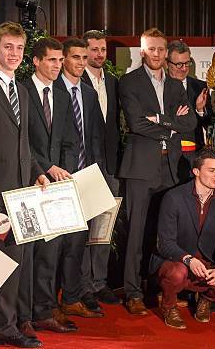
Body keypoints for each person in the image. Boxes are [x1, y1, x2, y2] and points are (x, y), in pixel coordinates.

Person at [0, 21, 48, 348]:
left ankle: (6, 325)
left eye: (19, 48)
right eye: (8, 47)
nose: (14, 53)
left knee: (12, 265)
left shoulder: (23, 90)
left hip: (20, 195)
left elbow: (23, 142)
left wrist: (37, 172)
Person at [119, 28, 196, 315]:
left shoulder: (177, 85)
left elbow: (189, 125)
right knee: (137, 232)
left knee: (164, 235)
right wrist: (171, 123)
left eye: (161, 50)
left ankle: (159, 289)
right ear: (142, 51)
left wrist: (160, 119)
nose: (156, 54)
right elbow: (136, 124)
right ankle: (133, 292)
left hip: (170, 168)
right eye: (151, 49)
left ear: (166, 52)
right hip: (140, 168)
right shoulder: (129, 82)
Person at [21, 37, 79, 335]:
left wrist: (63, 171)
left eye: (60, 60)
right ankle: (23, 314)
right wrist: (44, 168)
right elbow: (22, 141)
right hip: (29, 181)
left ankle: (43, 311)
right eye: (52, 60)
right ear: (36, 61)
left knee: (51, 251)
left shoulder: (62, 93)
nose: (58, 65)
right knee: (29, 254)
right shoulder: (23, 91)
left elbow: (70, 139)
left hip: (56, 184)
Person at [150, 148, 215, 329]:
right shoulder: (173, 197)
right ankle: (169, 306)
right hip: (176, 261)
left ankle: (204, 301)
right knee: (177, 273)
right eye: (212, 171)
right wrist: (188, 259)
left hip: (205, 265)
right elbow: (165, 244)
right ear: (196, 171)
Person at [54, 38, 106, 319]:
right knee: (56, 247)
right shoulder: (53, 89)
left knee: (78, 243)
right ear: (63, 59)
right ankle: (51, 301)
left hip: (86, 177)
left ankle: (71, 298)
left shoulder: (87, 93)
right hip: (60, 178)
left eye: (84, 57)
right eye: (76, 57)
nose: (82, 62)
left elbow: (95, 136)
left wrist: (98, 173)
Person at [79, 30, 123, 310]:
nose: (98, 54)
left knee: (104, 228)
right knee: (83, 231)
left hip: (110, 165)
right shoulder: (73, 81)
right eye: (92, 49)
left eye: (102, 49)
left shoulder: (115, 82)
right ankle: (82, 286)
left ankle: (99, 283)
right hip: (84, 166)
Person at [166, 40, 211, 183]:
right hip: (166, 154)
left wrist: (200, 110)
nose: (184, 68)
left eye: (187, 63)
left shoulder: (200, 87)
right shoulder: (159, 86)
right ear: (167, 63)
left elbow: (209, 123)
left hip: (194, 155)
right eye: (179, 64)